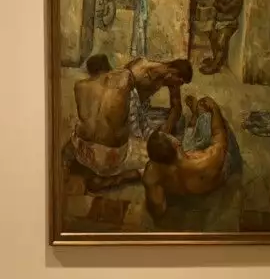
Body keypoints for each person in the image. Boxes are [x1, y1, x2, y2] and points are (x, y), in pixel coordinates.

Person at [66, 53, 192, 190]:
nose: (178, 86)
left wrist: (166, 128)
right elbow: (127, 111)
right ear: (174, 72)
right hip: (125, 124)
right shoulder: (137, 72)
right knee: (158, 160)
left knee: (176, 122)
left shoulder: (80, 85)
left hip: (86, 148)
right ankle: (115, 180)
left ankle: (71, 157)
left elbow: (176, 108)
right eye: (180, 81)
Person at [143, 94, 233, 221]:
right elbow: (219, 136)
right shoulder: (205, 160)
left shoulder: (152, 172)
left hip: (184, 179)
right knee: (209, 117)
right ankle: (198, 116)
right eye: (169, 135)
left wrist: (150, 184)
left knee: (191, 142)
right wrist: (215, 108)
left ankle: (194, 119)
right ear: (176, 143)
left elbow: (159, 210)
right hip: (213, 174)